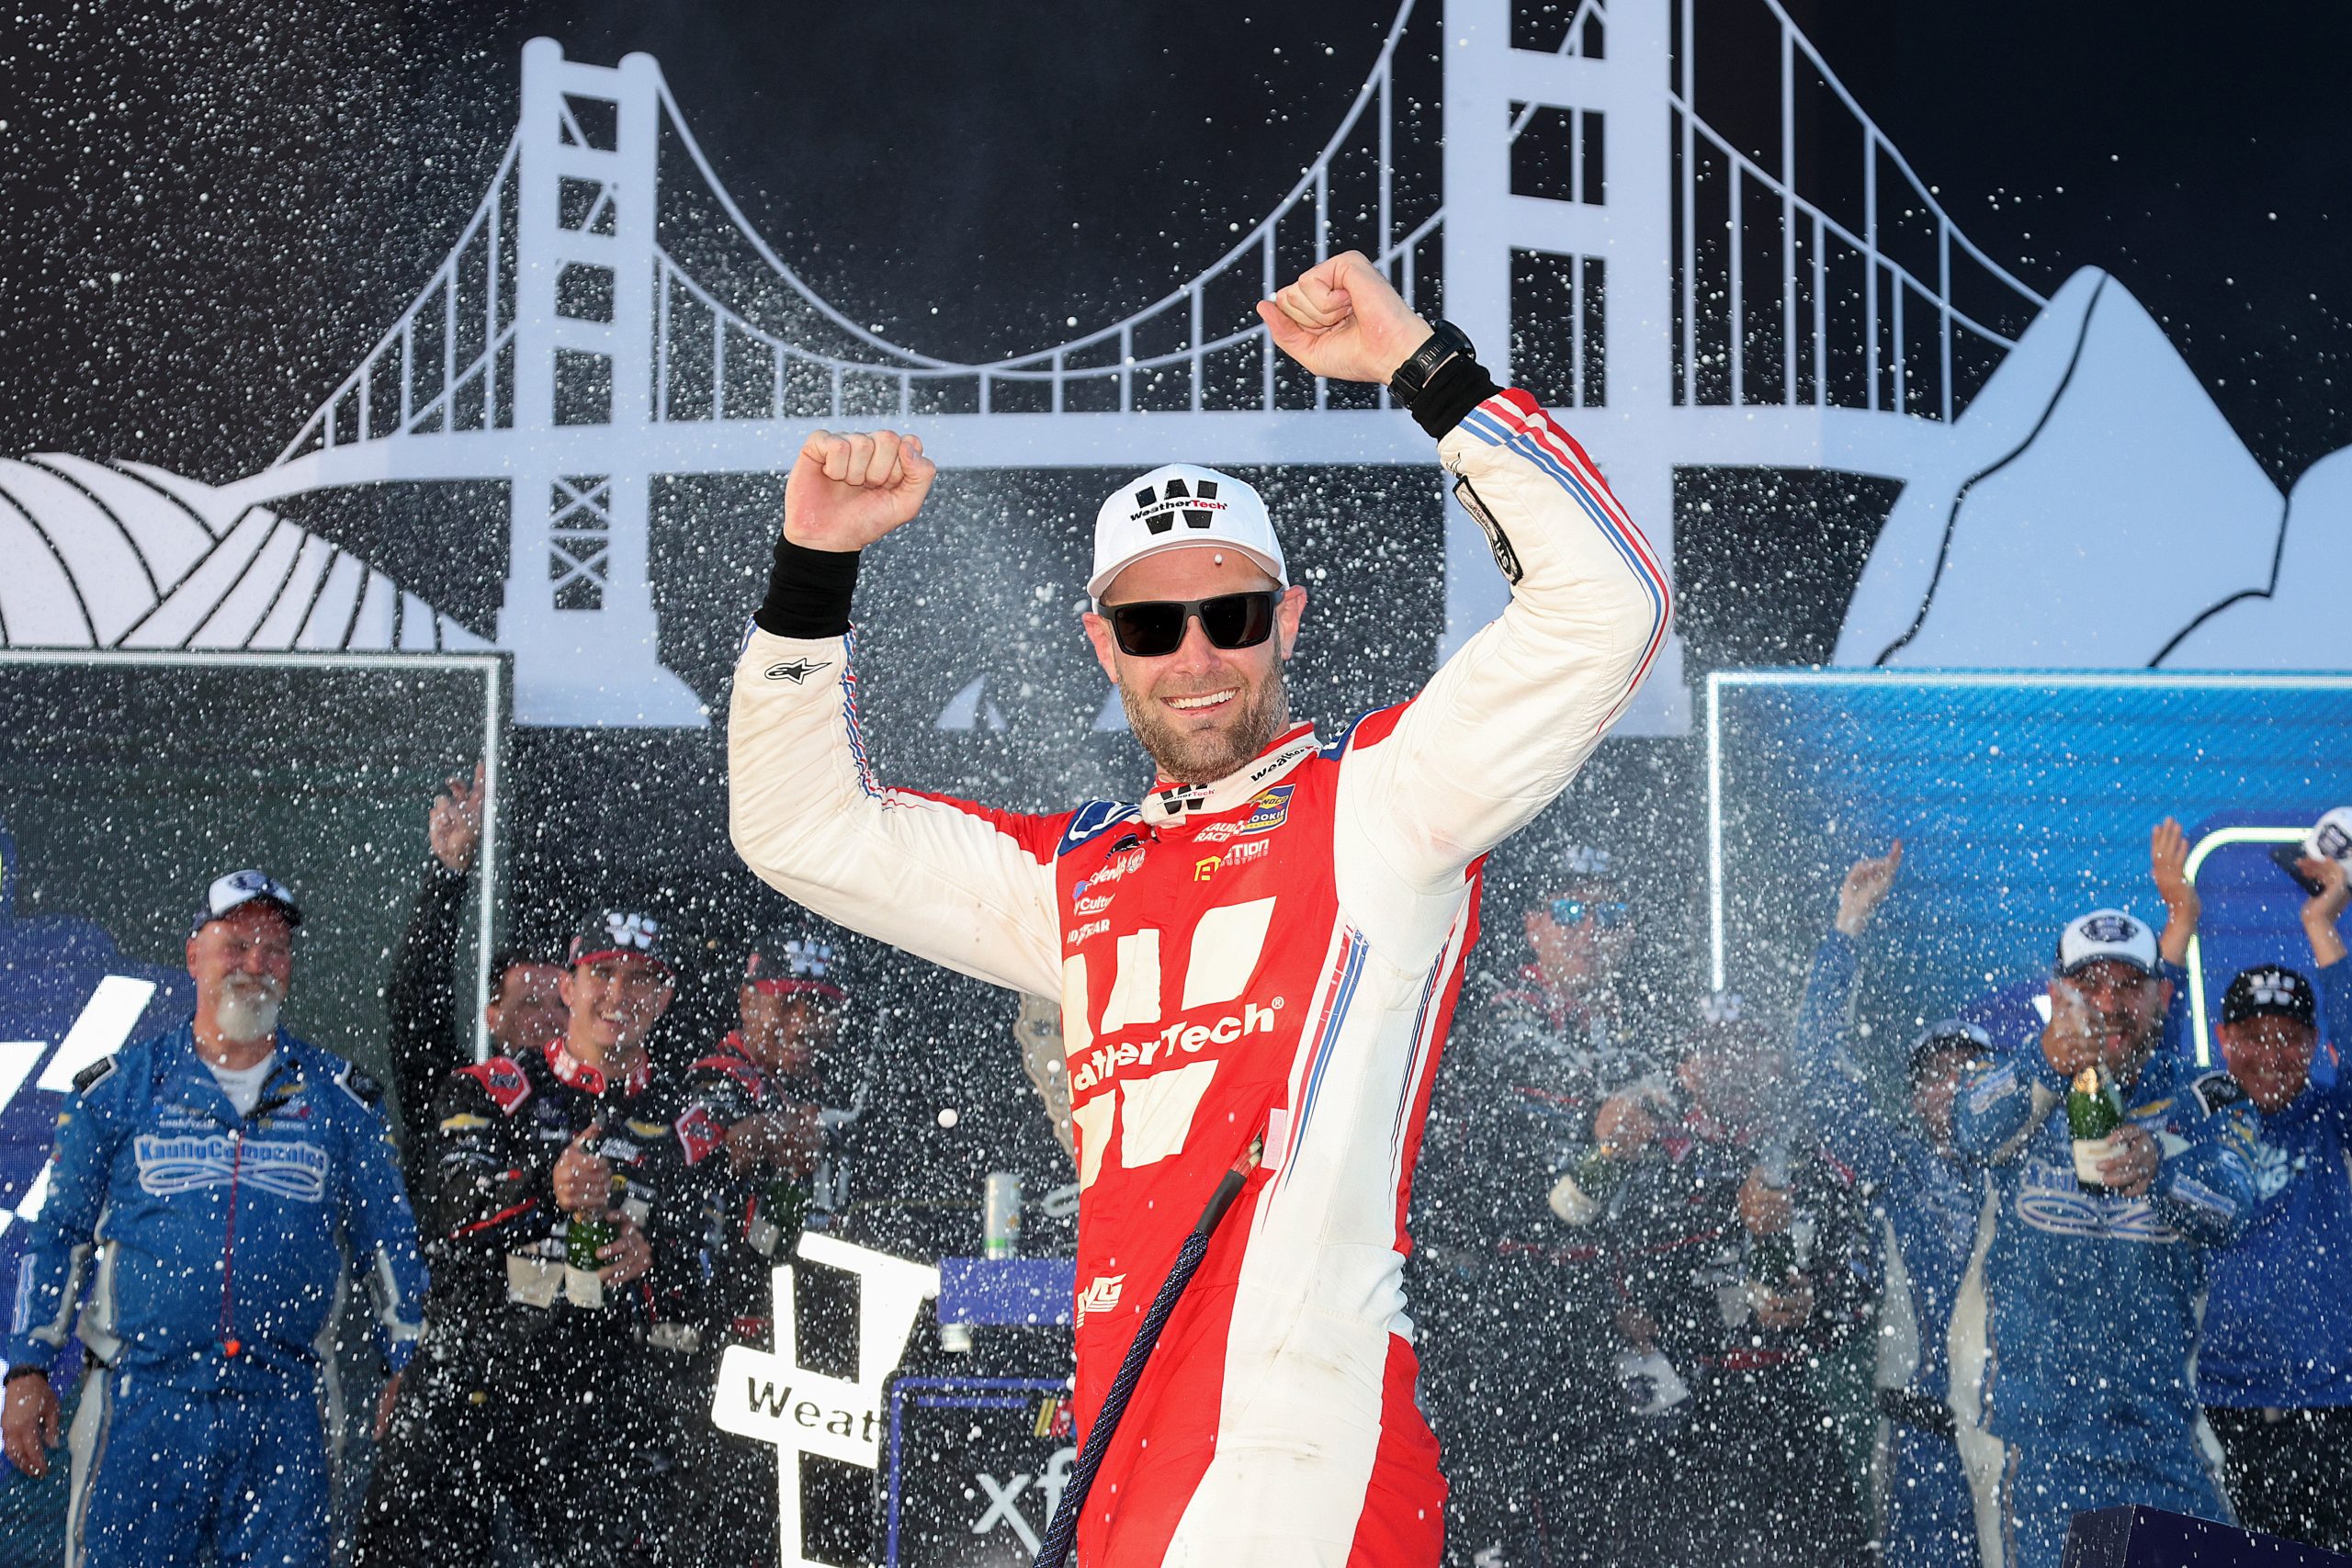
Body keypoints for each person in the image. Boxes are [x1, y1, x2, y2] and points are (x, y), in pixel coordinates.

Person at [728, 249, 1669, 1565]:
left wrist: (1424, 366)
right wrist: (812, 569)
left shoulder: (1381, 806)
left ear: (1287, 618)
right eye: (1153, 625)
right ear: (1100, 644)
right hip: (1121, 1447)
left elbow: (1608, 609)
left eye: (1229, 612)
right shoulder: (1072, 872)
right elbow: (799, 828)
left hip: (1305, 1443)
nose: (1197, 656)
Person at [2, 870, 426, 1568]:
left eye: (275, 949)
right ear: (194, 953)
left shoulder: (341, 1100)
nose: (256, 965)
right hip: (142, 1403)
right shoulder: (120, 1090)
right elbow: (59, 1236)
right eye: (236, 945)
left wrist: (407, 1358)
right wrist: (27, 1369)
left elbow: (389, 1237)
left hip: (286, 1407)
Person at [353, 907, 711, 1568]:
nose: (618, 993)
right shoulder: (493, 1089)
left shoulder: (685, 1122)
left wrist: (654, 1258)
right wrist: (546, 1188)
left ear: (662, 999)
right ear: (568, 986)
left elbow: (712, 1265)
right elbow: (451, 1212)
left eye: (640, 979)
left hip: (597, 1406)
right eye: (602, 972)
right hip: (472, 1381)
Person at [1948, 906, 2257, 1568]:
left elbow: (2232, 1204)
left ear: (2162, 994)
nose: (2110, 1003)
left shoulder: (2207, 1094)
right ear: (2057, 993)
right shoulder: (2015, 1079)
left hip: (2165, 1439)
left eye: (2129, 985)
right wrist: (2043, 1060)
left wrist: (2160, 1168)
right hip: (2037, 1449)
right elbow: (1969, 1128)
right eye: (2090, 985)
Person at [1556, 1006, 1876, 1567]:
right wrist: (1729, 1214)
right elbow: (1584, 1248)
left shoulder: (1809, 1157)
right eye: (1712, 1053)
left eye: (1748, 1051)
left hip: (1787, 1417)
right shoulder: (1648, 1148)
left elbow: (1859, 1286)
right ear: (1687, 1069)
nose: (1731, 1067)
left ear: (1774, 1063)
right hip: (1670, 1421)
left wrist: (1813, 1303)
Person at [1411, 849, 1645, 1567]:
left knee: (1600, 1523)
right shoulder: (1501, 1025)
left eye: (1607, 914)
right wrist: (1604, 1153)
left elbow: (1649, 1203)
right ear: (1534, 926)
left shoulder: (1631, 1030)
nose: (1588, 930)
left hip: (1590, 1324)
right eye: (1570, 912)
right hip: (1500, 1321)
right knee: (1517, 1527)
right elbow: (1543, 1203)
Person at [1791, 841, 1990, 1567]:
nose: (1953, 1088)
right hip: (1924, 1441)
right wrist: (1846, 928)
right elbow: (1816, 1067)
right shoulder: (1901, 1166)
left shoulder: (2032, 1170)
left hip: (2022, 1441)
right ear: (1912, 1096)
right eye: (1935, 1076)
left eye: (1972, 1072)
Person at [2167, 840, 2352, 1551]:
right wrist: (2179, 926)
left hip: (2330, 1410)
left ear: (2317, 1046)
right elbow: (2146, 1056)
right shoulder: (2197, 1115)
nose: (2271, 1053)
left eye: (2290, 1037)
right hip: (2219, 1408)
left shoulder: (2332, 1118)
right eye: (2251, 1036)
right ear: (2221, 1037)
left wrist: (2322, 930)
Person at [671, 930, 862, 1568]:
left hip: (813, 1339)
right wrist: (767, 1135)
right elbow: (707, 1146)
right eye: (788, 1001)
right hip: (726, 1344)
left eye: (820, 1004)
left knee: (811, 1526)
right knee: (735, 1527)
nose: (805, 1020)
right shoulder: (719, 1073)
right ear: (748, 1002)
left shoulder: (838, 1086)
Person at [383, 761, 566, 1193]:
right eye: (529, 1005)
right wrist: (448, 875)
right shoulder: (462, 1091)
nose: (549, 1020)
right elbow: (414, 1007)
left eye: (562, 1005)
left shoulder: (601, 1100)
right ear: (492, 1017)